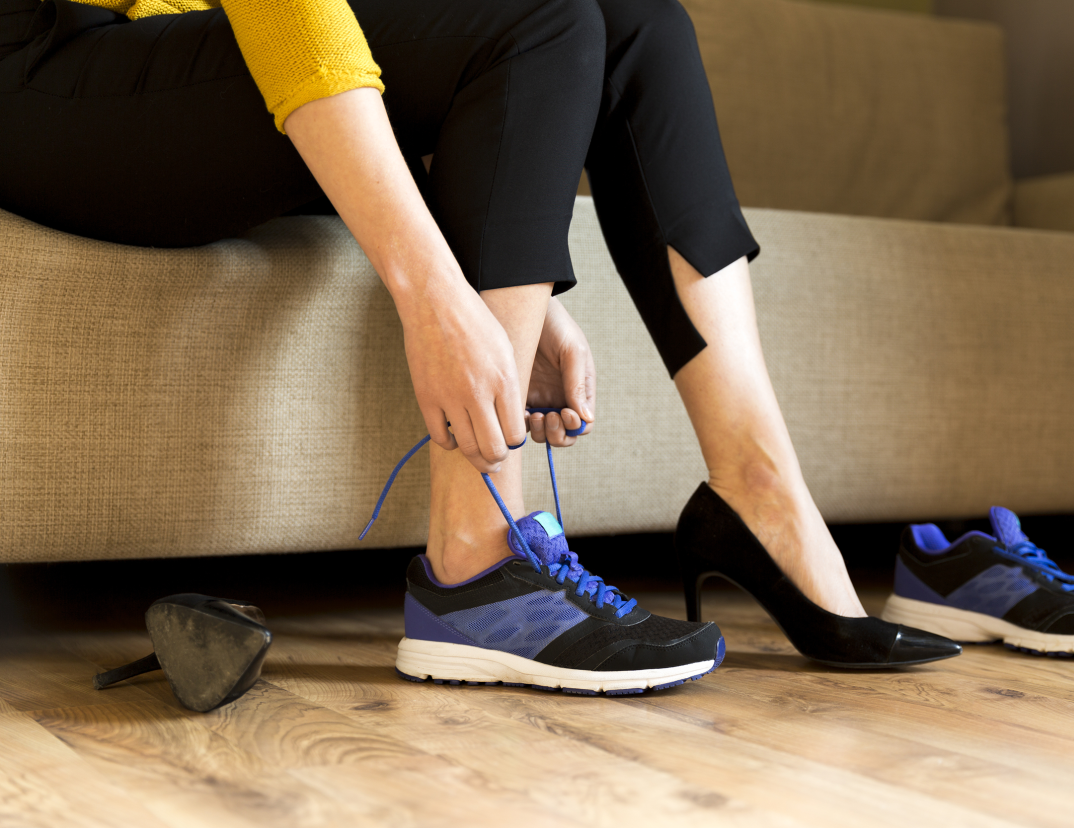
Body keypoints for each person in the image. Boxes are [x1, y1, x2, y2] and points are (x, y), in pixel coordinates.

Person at [0, 0, 961, 694]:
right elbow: (290, 13)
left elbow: (426, 48)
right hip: (49, 72)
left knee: (636, 19)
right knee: (537, 17)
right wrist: (434, 294)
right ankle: (476, 561)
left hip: (194, 53)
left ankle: (758, 489)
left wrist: (519, 286)